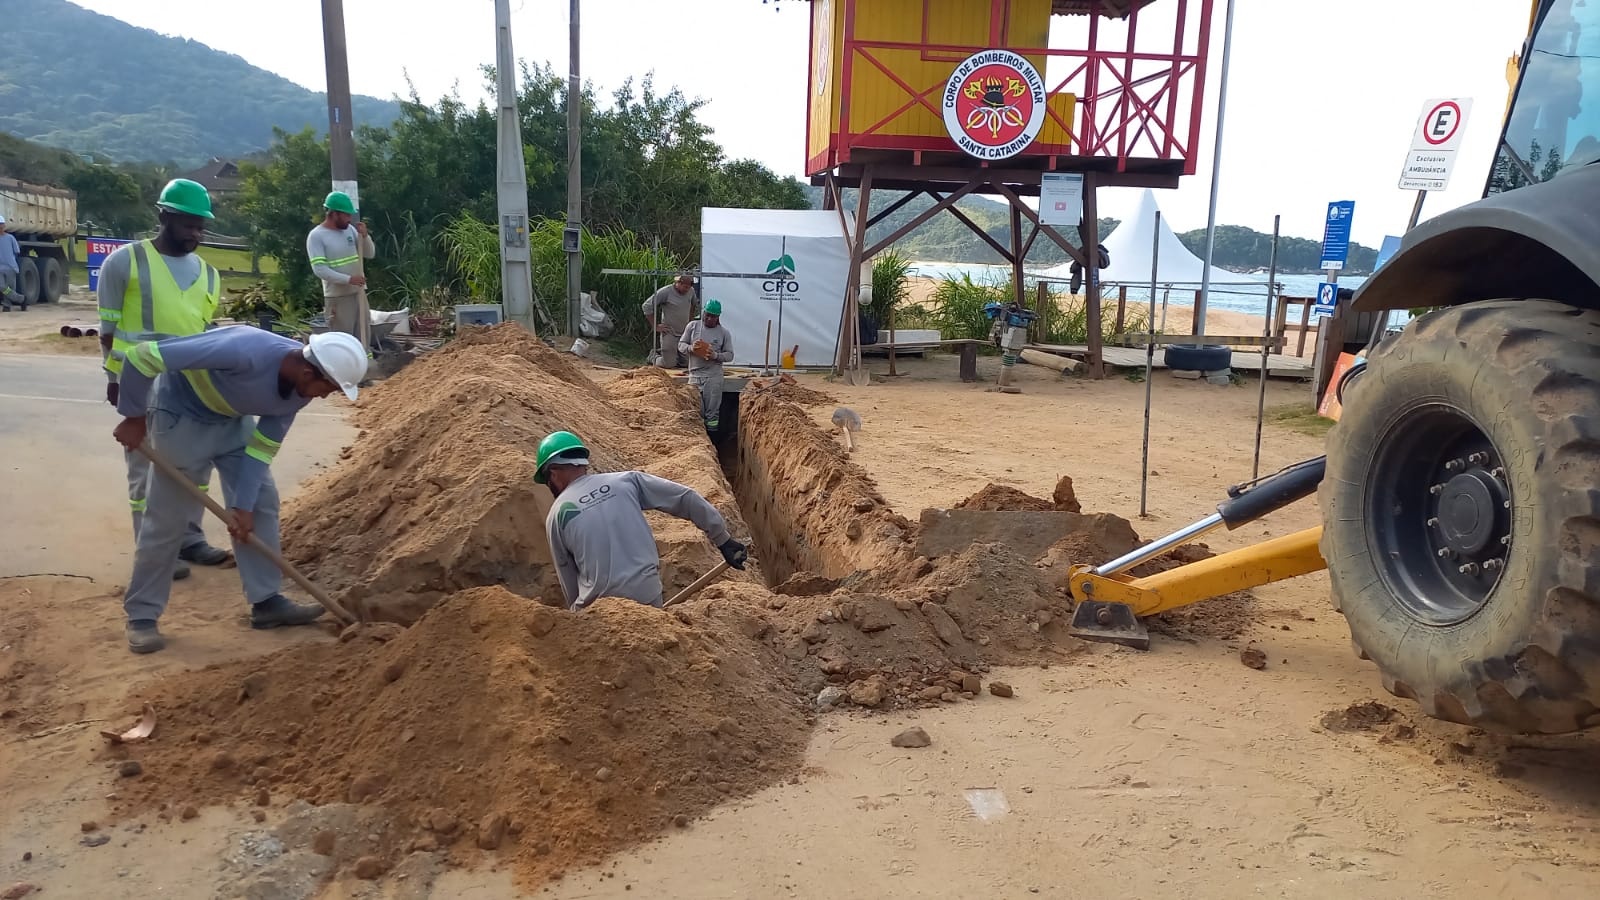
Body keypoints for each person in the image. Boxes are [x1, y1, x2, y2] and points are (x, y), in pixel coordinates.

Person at [110, 328, 369, 653]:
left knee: (261, 502)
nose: (324, 396)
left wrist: (242, 506)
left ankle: (266, 602)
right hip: (180, 417)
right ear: (307, 371)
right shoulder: (242, 349)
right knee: (167, 520)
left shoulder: (299, 392)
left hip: (231, 422)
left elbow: (262, 449)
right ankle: (142, 616)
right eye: (327, 387)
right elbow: (141, 357)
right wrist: (133, 417)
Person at [99, 178, 232, 578]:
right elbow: (108, 331)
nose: (195, 233)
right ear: (164, 217)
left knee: (193, 467)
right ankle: (154, 549)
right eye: (187, 224)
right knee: (147, 470)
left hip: (191, 387)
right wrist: (115, 379)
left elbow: (204, 332)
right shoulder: (125, 262)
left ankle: (189, 539)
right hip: (143, 383)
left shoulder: (209, 274)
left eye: (200, 226)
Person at [536, 431, 748, 610]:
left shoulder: (556, 516)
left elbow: (567, 576)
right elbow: (684, 498)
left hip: (600, 612)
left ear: (553, 473)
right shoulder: (625, 481)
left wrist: (579, 621)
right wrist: (723, 540)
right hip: (647, 596)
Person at [306, 191, 375, 351]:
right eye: (345, 215)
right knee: (343, 341)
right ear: (333, 214)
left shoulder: (349, 230)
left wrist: (365, 237)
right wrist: (348, 279)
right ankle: (345, 373)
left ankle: (366, 367)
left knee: (364, 336)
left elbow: (369, 254)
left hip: (358, 293)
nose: (349, 219)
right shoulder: (316, 236)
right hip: (338, 298)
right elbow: (320, 269)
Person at [678, 299, 734, 430]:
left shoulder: (723, 333)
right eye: (707, 314)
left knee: (712, 414)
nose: (709, 318)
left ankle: (713, 439)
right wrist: (692, 348)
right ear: (703, 312)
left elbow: (730, 355)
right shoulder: (692, 326)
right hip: (695, 375)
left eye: (713, 316)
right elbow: (681, 345)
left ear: (718, 317)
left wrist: (716, 356)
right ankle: (699, 443)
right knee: (695, 410)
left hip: (713, 377)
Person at [640, 274, 696, 367]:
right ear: (678, 283)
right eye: (685, 287)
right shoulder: (666, 292)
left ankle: (669, 353)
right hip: (670, 332)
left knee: (687, 363)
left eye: (689, 287)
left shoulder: (691, 291)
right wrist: (655, 326)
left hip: (684, 333)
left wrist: (691, 320)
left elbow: (693, 304)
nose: (687, 290)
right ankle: (653, 356)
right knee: (668, 364)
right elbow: (646, 306)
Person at [0, 216, 23, 312]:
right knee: (2, 287)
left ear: (4, 225)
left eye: (1, 224)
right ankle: (21, 299)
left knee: (10, 287)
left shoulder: (10, 238)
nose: (0, 227)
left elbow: (16, 252)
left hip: (10, 267)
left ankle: (7, 305)